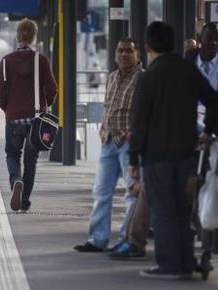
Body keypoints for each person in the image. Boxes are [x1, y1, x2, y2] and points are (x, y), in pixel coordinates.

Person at [129, 21, 218, 279]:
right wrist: (206, 131)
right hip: (186, 154)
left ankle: (170, 265)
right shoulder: (189, 71)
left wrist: (133, 157)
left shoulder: (148, 77)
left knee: (162, 211)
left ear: (147, 47)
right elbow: (216, 103)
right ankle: (184, 262)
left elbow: (140, 121)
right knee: (182, 210)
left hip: (156, 155)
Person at [74, 38, 143, 252]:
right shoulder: (112, 77)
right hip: (108, 141)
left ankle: (126, 239)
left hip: (128, 143)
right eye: (120, 51)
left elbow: (144, 112)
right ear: (115, 55)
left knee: (132, 193)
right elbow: (109, 106)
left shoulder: (143, 78)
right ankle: (97, 239)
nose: (123, 54)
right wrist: (103, 127)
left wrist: (135, 135)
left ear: (137, 54)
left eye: (128, 51)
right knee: (101, 191)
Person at [0, 18, 57, 212]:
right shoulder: (42, 60)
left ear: (18, 36)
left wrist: (9, 109)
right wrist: (47, 105)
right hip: (36, 119)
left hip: (14, 118)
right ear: (34, 36)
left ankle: (16, 181)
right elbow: (52, 88)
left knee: (12, 154)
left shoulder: (6, 61)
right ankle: (25, 201)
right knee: (31, 160)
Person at [186, 22, 218, 156]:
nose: (214, 43)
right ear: (200, 39)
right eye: (210, 38)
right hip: (190, 130)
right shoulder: (187, 62)